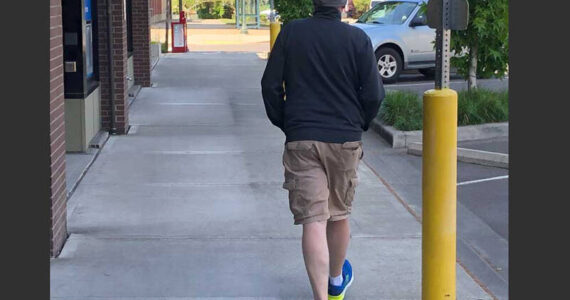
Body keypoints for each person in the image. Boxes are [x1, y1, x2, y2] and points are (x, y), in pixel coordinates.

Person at [261, 0, 385, 299]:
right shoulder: (357, 39)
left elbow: (270, 86)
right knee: (339, 214)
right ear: (344, 4)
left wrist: (288, 123)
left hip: (302, 136)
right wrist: (359, 123)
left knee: (313, 220)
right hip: (343, 138)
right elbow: (373, 94)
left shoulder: (292, 33)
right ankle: (335, 282)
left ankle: (320, 297)